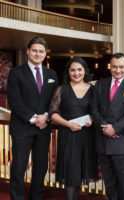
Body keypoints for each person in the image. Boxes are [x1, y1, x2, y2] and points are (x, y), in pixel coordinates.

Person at [7, 37, 58, 200]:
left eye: (41, 51)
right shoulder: (16, 72)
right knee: (19, 167)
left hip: (43, 129)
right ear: (28, 51)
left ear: (45, 54)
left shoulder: (51, 74)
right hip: (22, 127)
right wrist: (33, 118)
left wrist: (46, 117)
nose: (37, 54)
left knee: (41, 167)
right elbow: (14, 100)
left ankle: (36, 197)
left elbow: (55, 100)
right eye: (34, 50)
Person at [91, 53, 124, 200]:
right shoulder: (100, 84)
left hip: (123, 141)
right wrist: (106, 128)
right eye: (114, 66)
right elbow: (94, 109)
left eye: (121, 67)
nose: (117, 70)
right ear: (110, 66)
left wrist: (115, 128)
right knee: (110, 184)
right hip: (103, 140)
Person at [49, 57, 98, 200]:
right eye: (72, 70)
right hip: (68, 135)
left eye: (79, 69)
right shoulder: (62, 89)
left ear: (85, 71)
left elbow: (99, 111)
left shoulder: (93, 90)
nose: (76, 73)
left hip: (87, 136)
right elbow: (52, 114)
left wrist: (93, 119)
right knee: (71, 173)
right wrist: (69, 124)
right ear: (68, 72)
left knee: (81, 172)